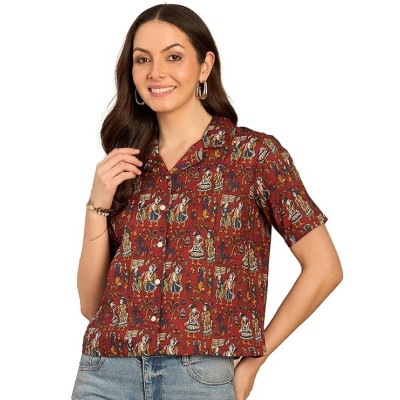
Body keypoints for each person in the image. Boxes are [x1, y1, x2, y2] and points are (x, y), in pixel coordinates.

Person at [71, 4, 343, 400]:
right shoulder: (125, 164)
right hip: (104, 373)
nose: (155, 72)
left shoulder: (253, 155)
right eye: (142, 59)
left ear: (205, 66)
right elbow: (91, 305)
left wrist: (255, 359)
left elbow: (324, 268)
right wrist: (97, 205)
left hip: (197, 378)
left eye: (173, 57)